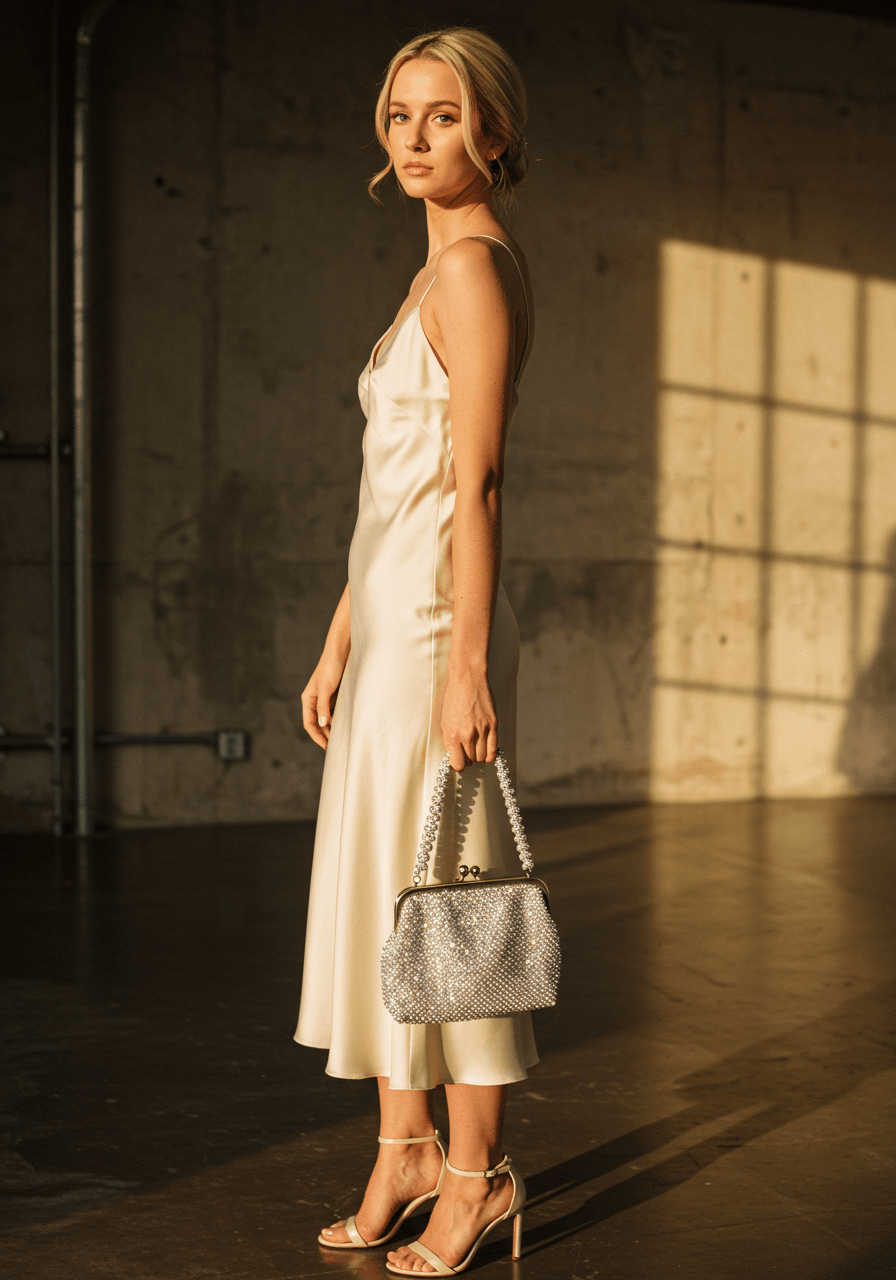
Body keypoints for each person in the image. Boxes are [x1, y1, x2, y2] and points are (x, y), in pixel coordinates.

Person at [295, 26, 536, 1275]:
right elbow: (393, 490)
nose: (413, 137)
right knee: (390, 897)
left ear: (490, 130)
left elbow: (475, 484)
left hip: (441, 632)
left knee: (455, 908)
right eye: (399, 115)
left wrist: (465, 667)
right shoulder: (429, 270)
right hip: (388, 627)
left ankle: (476, 1176)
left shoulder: (475, 271)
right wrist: (339, 637)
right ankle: (401, 1147)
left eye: (442, 115)